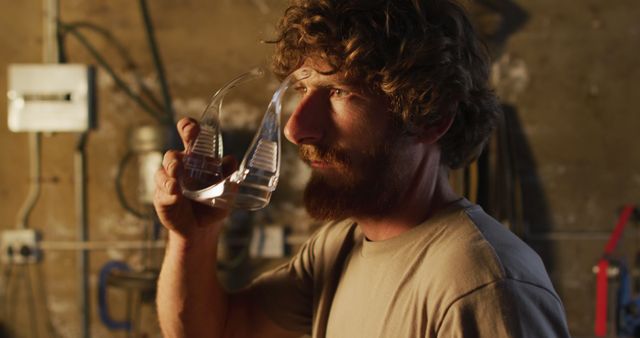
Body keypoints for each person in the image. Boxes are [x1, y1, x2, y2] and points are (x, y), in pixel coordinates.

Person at [154, 0, 571, 337]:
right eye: (302, 89)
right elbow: (214, 329)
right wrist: (195, 236)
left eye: (338, 91)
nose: (297, 128)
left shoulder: (482, 288)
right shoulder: (338, 247)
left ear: (429, 119)